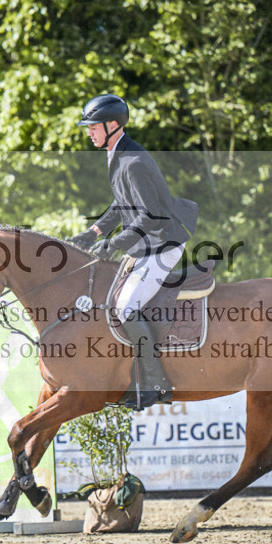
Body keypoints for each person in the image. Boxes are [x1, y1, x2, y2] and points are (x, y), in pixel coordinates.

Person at [70, 93, 198, 407]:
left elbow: (149, 215)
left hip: (162, 245)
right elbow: (121, 205)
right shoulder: (118, 153)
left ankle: (156, 384)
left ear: (112, 125)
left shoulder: (135, 161)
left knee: (125, 307)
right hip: (146, 244)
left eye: (93, 126)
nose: (89, 132)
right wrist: (94, 231)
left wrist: (113, 244)